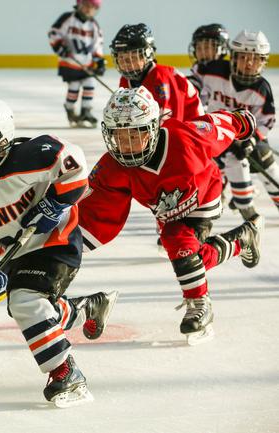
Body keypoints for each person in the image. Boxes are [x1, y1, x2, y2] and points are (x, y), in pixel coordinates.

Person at [0, 97, 118, 407]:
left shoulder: (30, 157)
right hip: (19, 253)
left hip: (57, 241)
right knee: (28, 307)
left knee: (25, 301)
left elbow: (75, 166)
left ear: (0, 143)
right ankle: (87, 308)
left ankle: (66, 371)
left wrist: (56, 202)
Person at [78, 86, 263, 345]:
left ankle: (200, 303)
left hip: (205, 193)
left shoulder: (186, 138)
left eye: (134, 134)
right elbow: (99, 210)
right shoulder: (112, 167)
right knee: (189, 255)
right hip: (168, 211)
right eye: (118, 136)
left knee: (178, 243)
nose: (126, 145)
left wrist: (243, 122)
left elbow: (217, 124)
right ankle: (240, 241)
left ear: (153, 128)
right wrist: (72, 238)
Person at [200, 30, 279, 219]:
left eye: (256, 59)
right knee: (234, 163)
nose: (250, 63)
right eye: (244, 57)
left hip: (245, 140)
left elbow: (265, 121)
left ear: (263, 62)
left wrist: (251, 140)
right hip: (214, 138)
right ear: (233, 57)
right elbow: (197, 98)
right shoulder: (214, 71)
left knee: (265, 159)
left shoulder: (262, 88)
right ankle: (246, 208)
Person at [111, 23, 203, 122]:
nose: (126, 64)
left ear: (147, 54)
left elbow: (170, 122)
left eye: (133, 57)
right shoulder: (125, 80)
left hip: (193, 127)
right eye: (121, 58)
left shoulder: (162, 77)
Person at [48, 0, 105, 128]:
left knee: (90, 83)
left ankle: (86, 111)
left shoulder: (94, 25)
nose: (89, 10)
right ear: (79, 4)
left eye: (93, 7)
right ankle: (70, 108)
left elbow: (97, 45)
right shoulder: (68, 18)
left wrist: (100, 61)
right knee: (74, 85)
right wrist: (59, 46)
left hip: (86, 63)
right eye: (86, 6)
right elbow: (54, 32)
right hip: (69, 62)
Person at [186, 23, 230, 105]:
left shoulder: (231, 78)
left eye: (207, 47)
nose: (202, 52)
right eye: (198, 48)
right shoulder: (193, 79)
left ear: (222, 49)